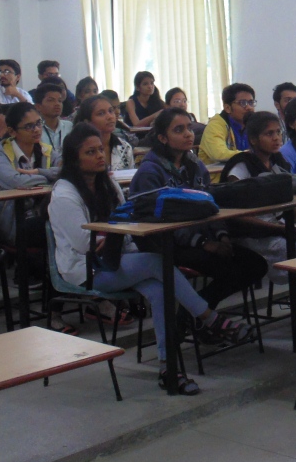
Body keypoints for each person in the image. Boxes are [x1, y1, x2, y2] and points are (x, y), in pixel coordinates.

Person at [49, 123, 233, 395]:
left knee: (162, 292)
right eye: (90, 152)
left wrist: (115, 235)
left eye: (101, 149)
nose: (100, 155)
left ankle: (168, 368)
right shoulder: (64, 194)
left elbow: (126, 220)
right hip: (87, 269)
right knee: (157, 263)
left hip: (120, 259)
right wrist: (114, 235)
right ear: (74, 160)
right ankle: (208, 317)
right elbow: (83, 244)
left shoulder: (107, 182)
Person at [129, 108, 268, 336]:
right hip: (167, 244)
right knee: (229, 268)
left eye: (189, 128)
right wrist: (204, 243)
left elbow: (210, 206)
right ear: (163, 138)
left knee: (254, 265)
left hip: (200, 238)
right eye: (178, 130)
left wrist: (222, 237)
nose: (188, 134)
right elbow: (157, 222)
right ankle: (197, 317)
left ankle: (193, 312)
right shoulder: (150, 172)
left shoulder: (194, 166)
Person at [218, 111, 296, 283]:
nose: (276, 138)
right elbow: (235, 216)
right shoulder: (241, 167)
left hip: (277, 227)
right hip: (251, 234)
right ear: (253, 139)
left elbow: (287, 196)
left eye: (278, 132)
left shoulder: (278, 162)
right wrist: (275, 228)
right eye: (269, 134)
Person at [0, 103, 61, 246]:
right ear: (12, 131)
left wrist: (39, 172)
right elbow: (17, 181)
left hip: (42, 212)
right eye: (29, 126)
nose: (36, 130)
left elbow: (65, 170)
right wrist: (50, 179)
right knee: (55, 226)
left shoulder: (45, 150)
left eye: (38, 123)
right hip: (12, 219)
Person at [199, 83, 256, 165]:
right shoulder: (216, 125)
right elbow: (219, 154)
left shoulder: (254, 124)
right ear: (228, 108)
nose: (249, 107)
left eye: (251, 102)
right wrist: (252, 154)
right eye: (242, 103)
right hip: (219, 175)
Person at [73, 96, 135, 171]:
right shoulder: (78, 148)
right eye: (101, 113)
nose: (110, 117)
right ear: (87, 122)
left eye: (110, 111)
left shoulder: (124, 146)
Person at [35, 81, 73, 153]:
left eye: (59, 100)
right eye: (51, 100)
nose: (57, 104)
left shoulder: (69, 126)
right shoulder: (35, 130)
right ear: (38, 106)